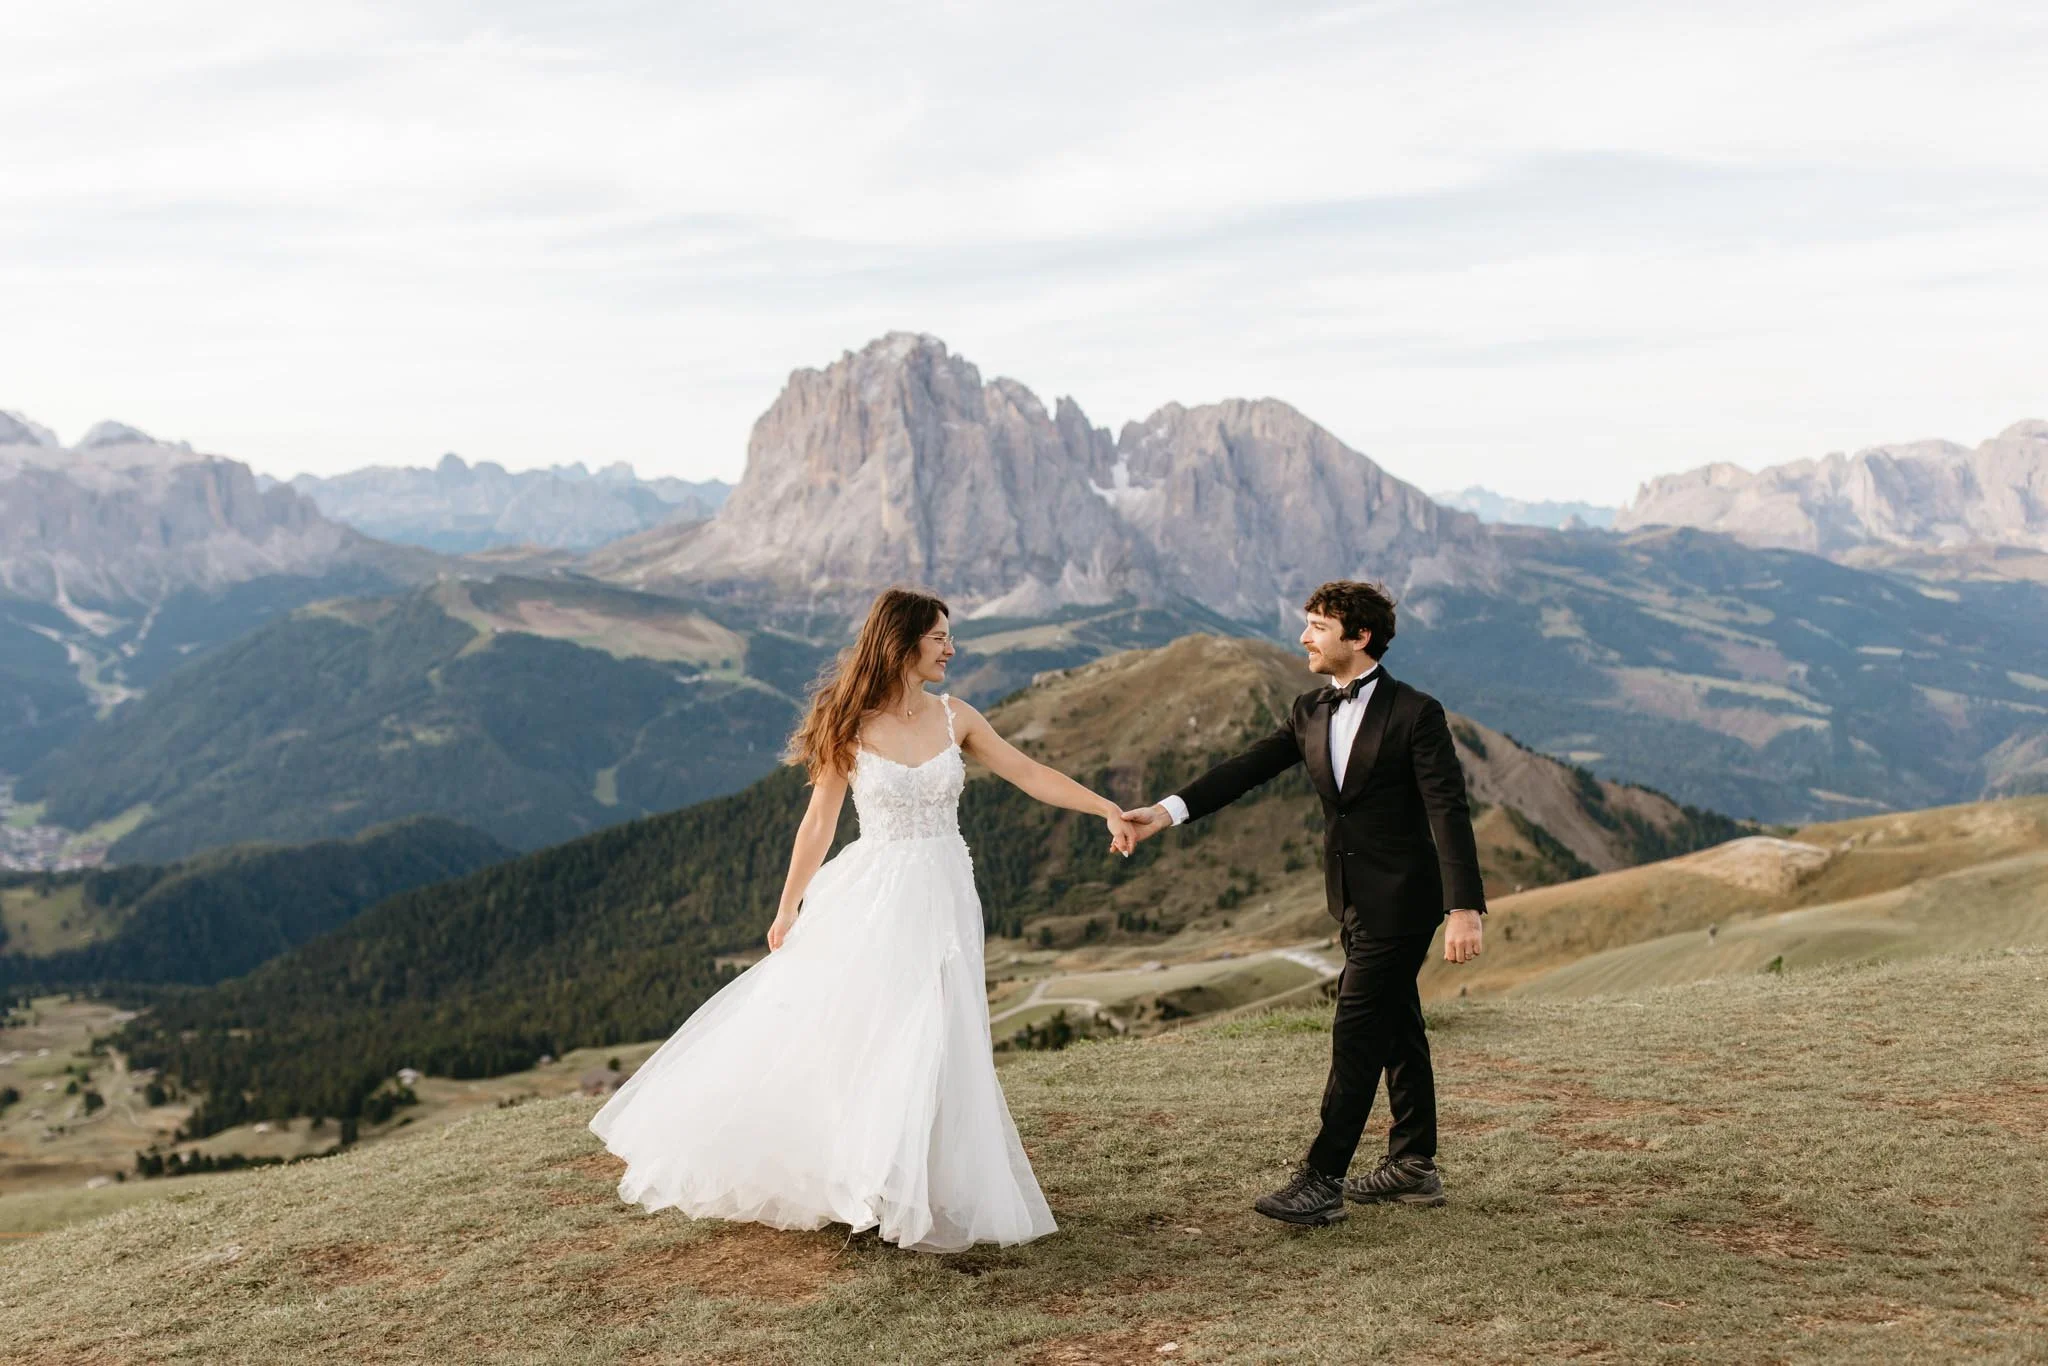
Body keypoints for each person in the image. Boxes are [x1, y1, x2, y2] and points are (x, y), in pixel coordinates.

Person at [590, 587, 1135, 1252]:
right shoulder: (848, 722)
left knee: (939, 1031)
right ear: (903, 644)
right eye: (939, 638)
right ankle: (865, 1183)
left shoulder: (956, 717)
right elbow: (819, 821)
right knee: (880, 1033)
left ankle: (907, 1182)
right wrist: (788, 905)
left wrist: (1105, 808)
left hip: (945, 892)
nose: (951, 649)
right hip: (875, 894)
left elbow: (1028, 772)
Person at [1122, 579, 1485, 1226]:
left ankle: (1322, 1178)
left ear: (1359, 636)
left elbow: (1447, 810)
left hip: (1403, 901)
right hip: (1350, 899)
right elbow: (1247, 767)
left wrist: (1464, 908)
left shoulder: (1415, 713)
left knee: (1357, 1028)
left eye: (1318, 626)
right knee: (1397, 1024)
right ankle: (1413, 1164)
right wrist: (1165, 812)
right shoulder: (1309, 709)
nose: (1303, 637)